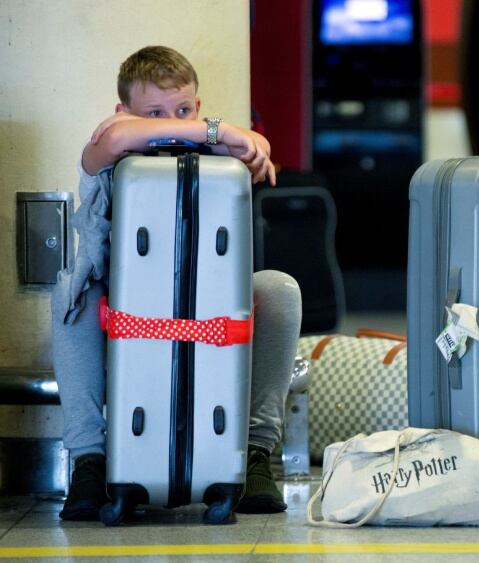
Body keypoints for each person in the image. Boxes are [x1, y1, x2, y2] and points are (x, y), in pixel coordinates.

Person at [51, 46, 301, 521]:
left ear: (197, 106)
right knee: (72, 291)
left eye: (184, 110)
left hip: (205, 313)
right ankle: (89, 458)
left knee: (278, 289)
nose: (172, 124)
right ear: (122, 112)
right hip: (127, 316)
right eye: (156, 114)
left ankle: (254, 452)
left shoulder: (213, 158)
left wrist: (243, 144)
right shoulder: (108, 150)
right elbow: (120, 139)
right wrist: (222, 129)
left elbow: (251, 155)